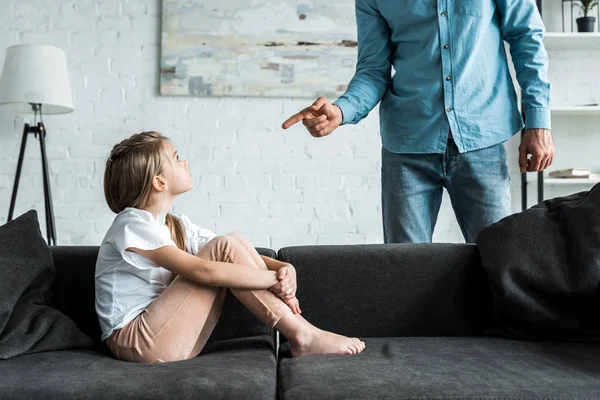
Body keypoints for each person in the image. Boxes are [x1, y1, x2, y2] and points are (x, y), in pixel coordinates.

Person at [282, 0, 555, 244]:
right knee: (405, 272)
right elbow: (373, 70)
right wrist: (342, 111)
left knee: (498, 264)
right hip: (407, 149)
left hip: (482, 137)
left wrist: (538, 122)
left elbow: (526, 39)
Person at [95, 131, 365, 363]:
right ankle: (303, 335)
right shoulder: (132, 225)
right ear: (159, 182)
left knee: (232, 239)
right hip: (138, 342)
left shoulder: (174, 224)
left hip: (173, 337)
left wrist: (285, 268)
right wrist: (273, 280)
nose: (185, 161)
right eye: (176, 158)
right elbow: (204, 271)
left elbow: (235, 251)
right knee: (223, 245)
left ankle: (303, 333)